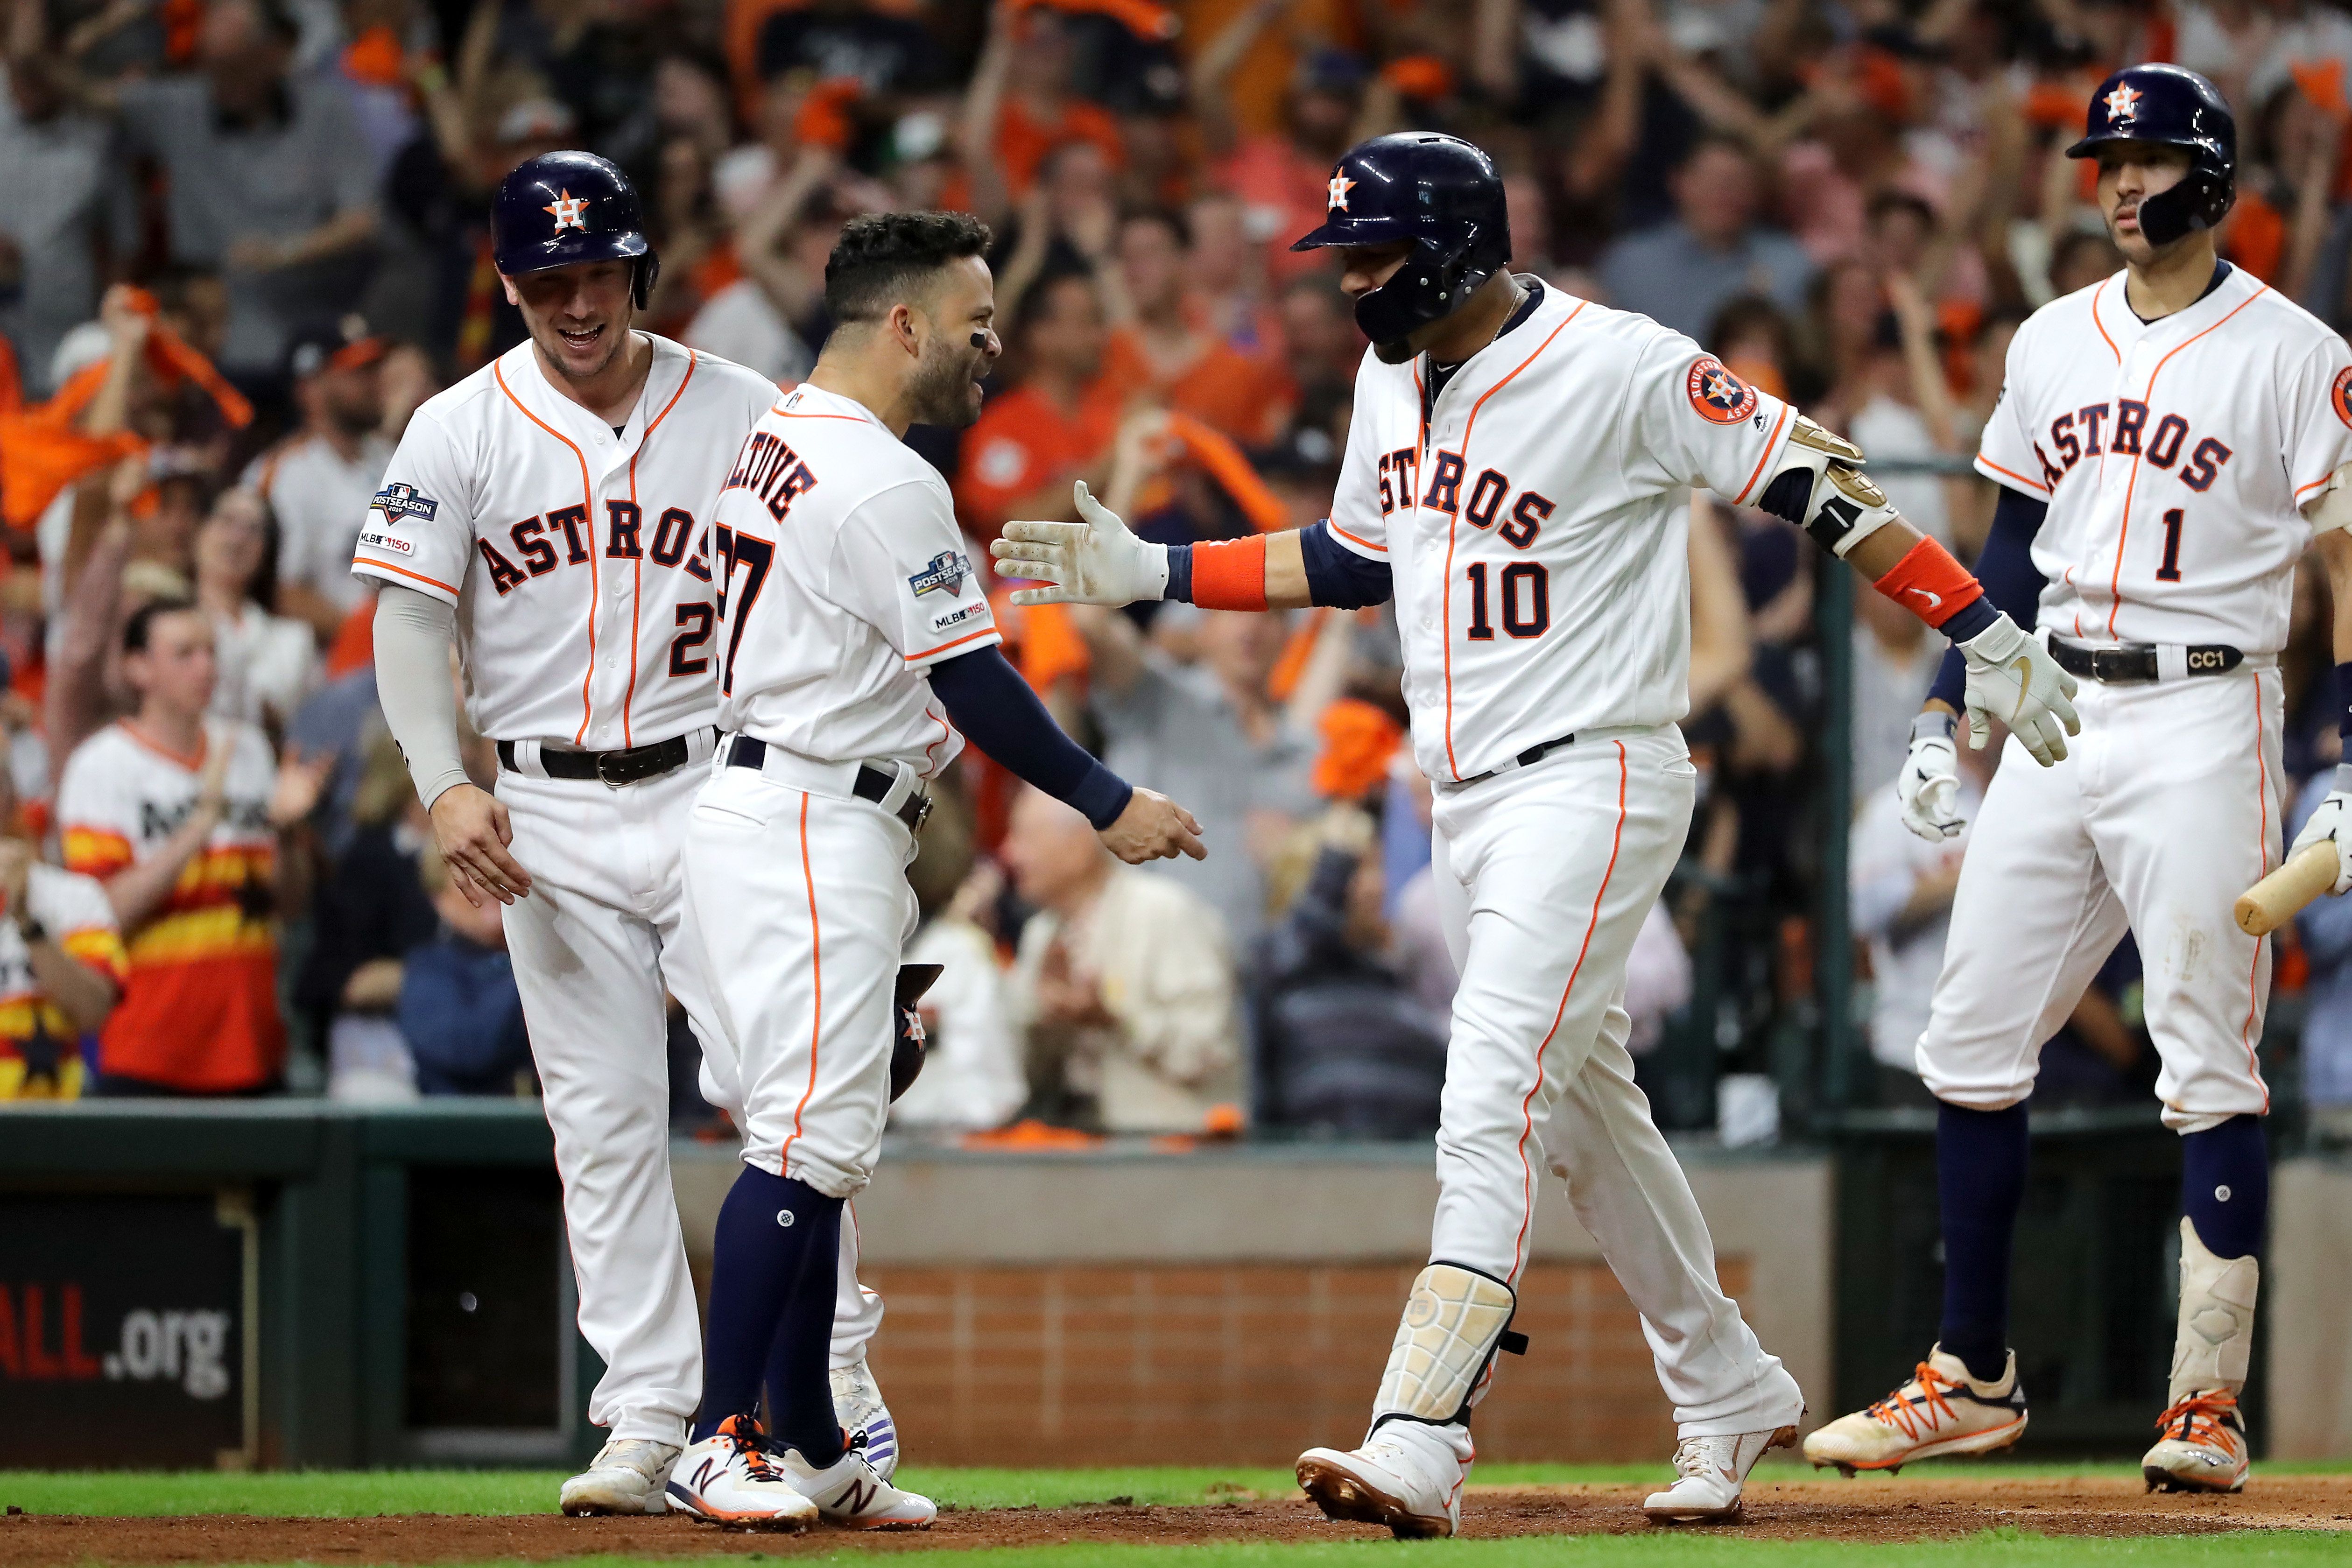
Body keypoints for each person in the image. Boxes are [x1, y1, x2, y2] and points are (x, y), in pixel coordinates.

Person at [992, 131, 2076, 1532]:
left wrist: (1974, 623)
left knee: (1488, 1087)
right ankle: (1727, 1380)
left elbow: (1810, 475)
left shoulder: (1618, 362)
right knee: (1581, 1123)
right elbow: (1350, 557)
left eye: (1374, 254)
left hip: (1595, 776)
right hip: (1465, 796)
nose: (1352, 283)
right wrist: (1155, 569)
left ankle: (1422, 1429)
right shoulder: (1391, 376)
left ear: (1454, 242)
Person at [1806, 64, 2352, 1498]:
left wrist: (2346, 757)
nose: (2116, 182)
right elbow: (2002, 551)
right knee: (1965, 1038)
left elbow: (2348, 569)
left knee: (2200, 1052)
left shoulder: (2295, 350)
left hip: (2202, 707)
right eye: (2100, 160)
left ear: (2212, 181)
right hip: (2053, 703)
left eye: (2147, 159)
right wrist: (1942, 709)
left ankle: (2203, 1404)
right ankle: (1969, 1372)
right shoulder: (2050, 338)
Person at [352, 151, 896, 1519]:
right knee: (599, 1122)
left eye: (593, 271)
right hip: (539, 806)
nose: (573, 301)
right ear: (509, 285)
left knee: (788, 1100)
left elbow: (838, 568)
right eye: (546, 279)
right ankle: (651, 1414)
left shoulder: (742, 406)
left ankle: (826, 1405)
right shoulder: (457, 426)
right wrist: (441, 781)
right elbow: (410, 618)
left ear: (636, 269)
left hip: (720, 786)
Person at [669, 210, 1199, 1528]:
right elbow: (971, 680)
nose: (992, 346)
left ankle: (806, 1438)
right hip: (808, 818)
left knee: (811, 1142)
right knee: (803, 1141)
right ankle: (712, 1435)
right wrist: (1105, 798)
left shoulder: (780, 429)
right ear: (901, 324)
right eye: (973, 323)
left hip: (765, 800)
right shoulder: (883, 476)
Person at [57, 600, 326, 1096]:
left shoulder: (246, 748)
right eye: (185, 653)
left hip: (253, 1042)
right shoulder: (102, 765)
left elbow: (290, 906)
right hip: (148, 1048)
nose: (206, 666)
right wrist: (199, 825)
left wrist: (288, 833)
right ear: (139, 667)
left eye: (210, 651)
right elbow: (101, 912)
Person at [1002, 784, 1242, 1132]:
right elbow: (1024, 1079)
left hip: (1172, 1153)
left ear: (1079, 848)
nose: (1010, 854)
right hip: (1072, 1149)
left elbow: (1207, 1053)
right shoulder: (1041, 935)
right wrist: (1046, 1016)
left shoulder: (1165, 913)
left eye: (1025, 837)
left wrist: (1115, 1018)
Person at [245, 324, 394, 644]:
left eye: (374, 370)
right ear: (310, 389)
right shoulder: (286, 473)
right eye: (357, 373)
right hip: (328, 663)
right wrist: (369, 638)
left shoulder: (389, 455)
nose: (375, 383)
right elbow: (279, 592)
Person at [0, 734, 126, 1100]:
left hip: (50, 1135)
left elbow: (95, 1011)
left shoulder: (74, 896)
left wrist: (28, 923)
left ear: (10, 798)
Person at [1597, 136, 1816, 346]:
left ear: (1758, 190)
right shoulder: (1631, 264)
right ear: (1679, 182)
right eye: (1712, 180)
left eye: (1738, 182)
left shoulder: (1791, 265)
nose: (1725, 193)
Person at [193, 488, 316, 728]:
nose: (237, 540)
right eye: (226, 521)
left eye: (253, 530)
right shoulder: (161, 622)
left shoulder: (293, 641)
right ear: (199, 530)